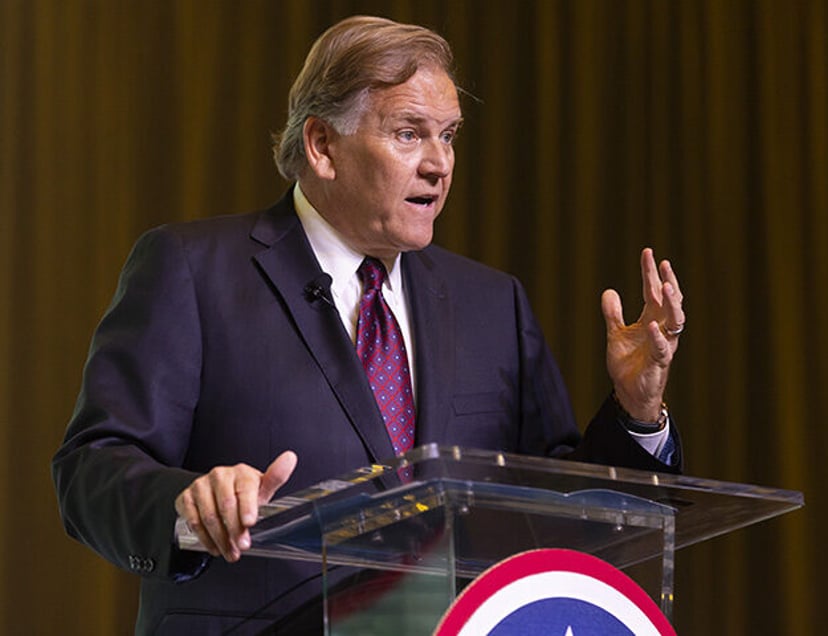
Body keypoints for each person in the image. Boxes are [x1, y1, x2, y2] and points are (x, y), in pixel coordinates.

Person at [52, 15, 686, 635]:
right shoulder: (194, 272)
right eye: (410, 134)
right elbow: (92, 468)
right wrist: (188, 506)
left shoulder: (493, 304)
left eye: (450, 135)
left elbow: (556, 511)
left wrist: (636, 411)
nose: (440, 164)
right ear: (323, 146)